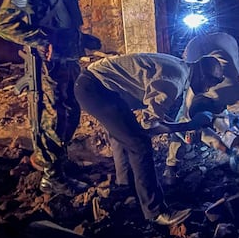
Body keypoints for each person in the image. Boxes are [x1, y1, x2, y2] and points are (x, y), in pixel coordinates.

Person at [0, 0, 101, 196]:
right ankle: (51, 176)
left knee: (71, 111)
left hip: (67, 56)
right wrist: (40, 41)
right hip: (47, 61)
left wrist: (82, 39)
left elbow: (62, 16)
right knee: (53, 117)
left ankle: (58, 165)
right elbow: (5, 24)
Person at [73, 53, 218, 226]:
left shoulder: (179, 68)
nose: (208, 89)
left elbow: (155, 120)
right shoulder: (175, 81)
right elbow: (149, 127)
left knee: (123, 137)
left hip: (97, 84)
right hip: (96, 89)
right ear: (202, 75)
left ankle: (125, 190)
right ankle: (155, 212)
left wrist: (186, 125)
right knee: (139, 144)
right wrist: (191, 125)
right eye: (210, 84)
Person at [163, 32, 239, 184]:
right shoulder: (190, 96)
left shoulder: (234, 89)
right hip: (195, 47)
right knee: (181, 126)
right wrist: (228, 151)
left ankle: (171, 166)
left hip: (227, 42)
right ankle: (171, 166)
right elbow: (181, 127)